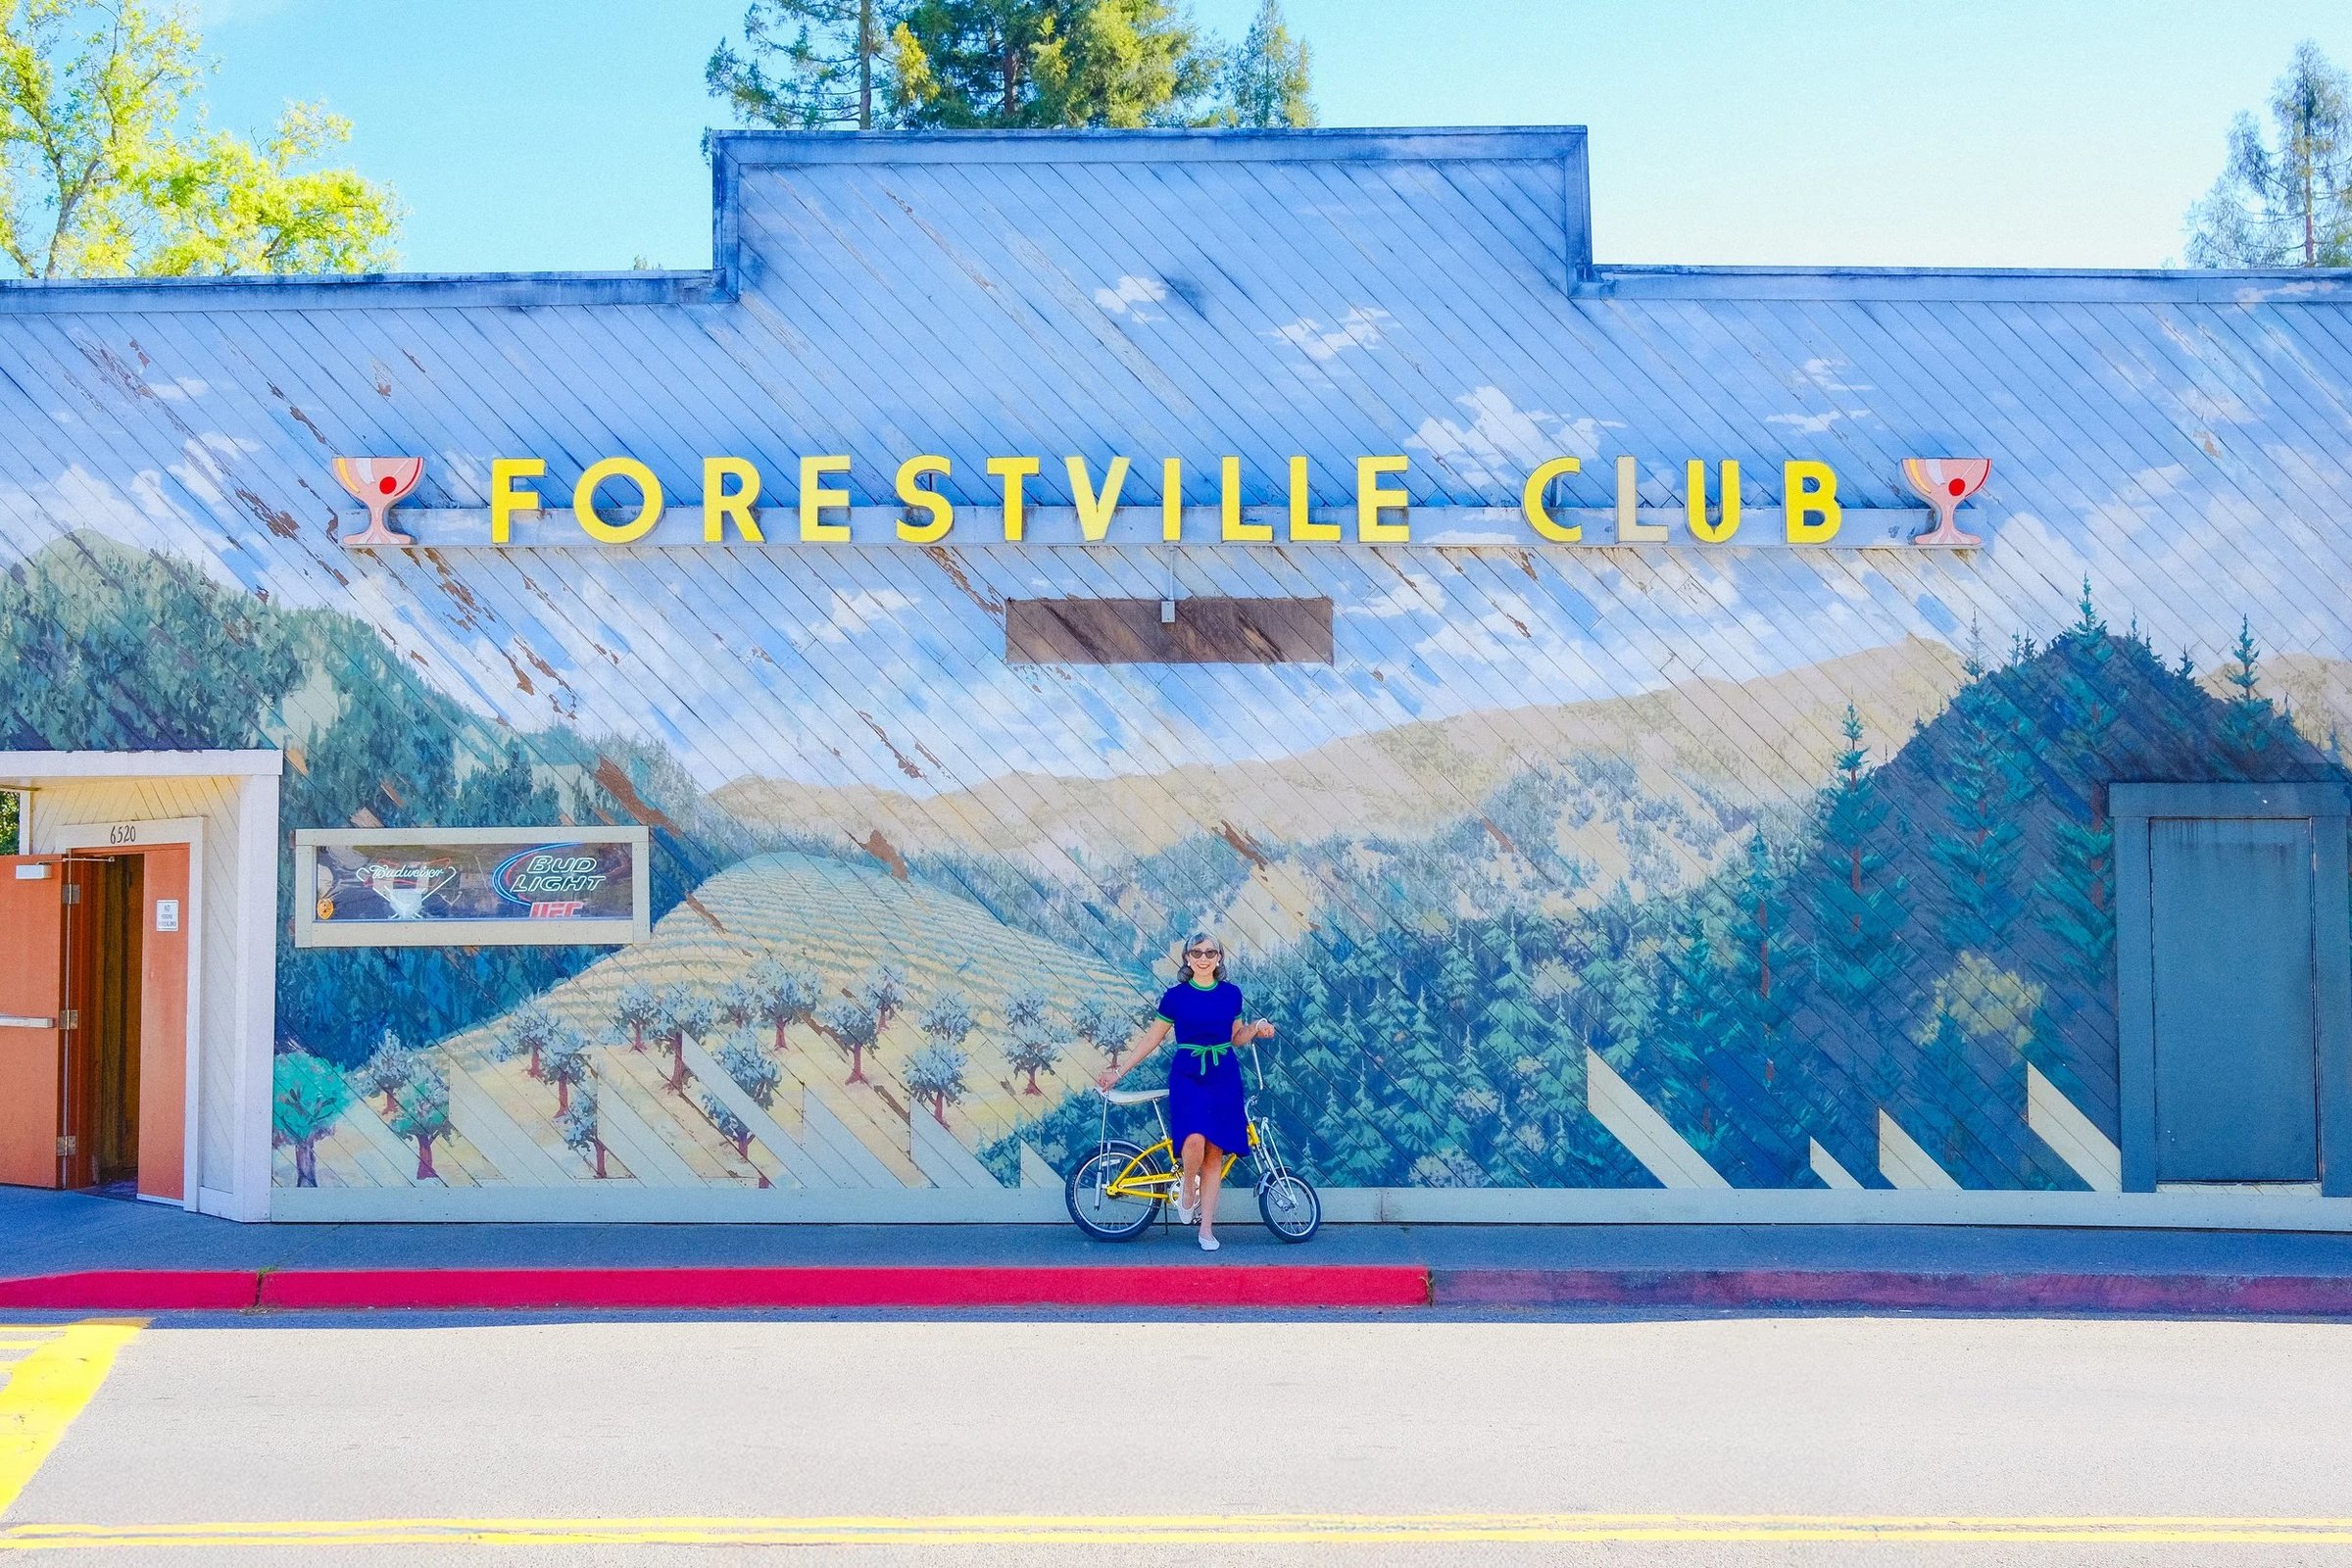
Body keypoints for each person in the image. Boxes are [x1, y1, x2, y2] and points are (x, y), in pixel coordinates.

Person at [1097, 933, 1274, 1250]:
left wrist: (1257, 1027)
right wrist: (1119, 1071)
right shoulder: (1175, 997)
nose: (1203, 958)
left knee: (1215, 1151)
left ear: (1219, 958)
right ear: (1187, 959)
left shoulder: (1231, 994)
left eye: (1210, 952)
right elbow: (1152, 1039)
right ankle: (1189, 1188)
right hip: (1188, 1073)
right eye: (1197, 952)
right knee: (1193, 1139)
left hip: (1223, 1075)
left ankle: (1206, 1229)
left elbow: (1236, 1037)